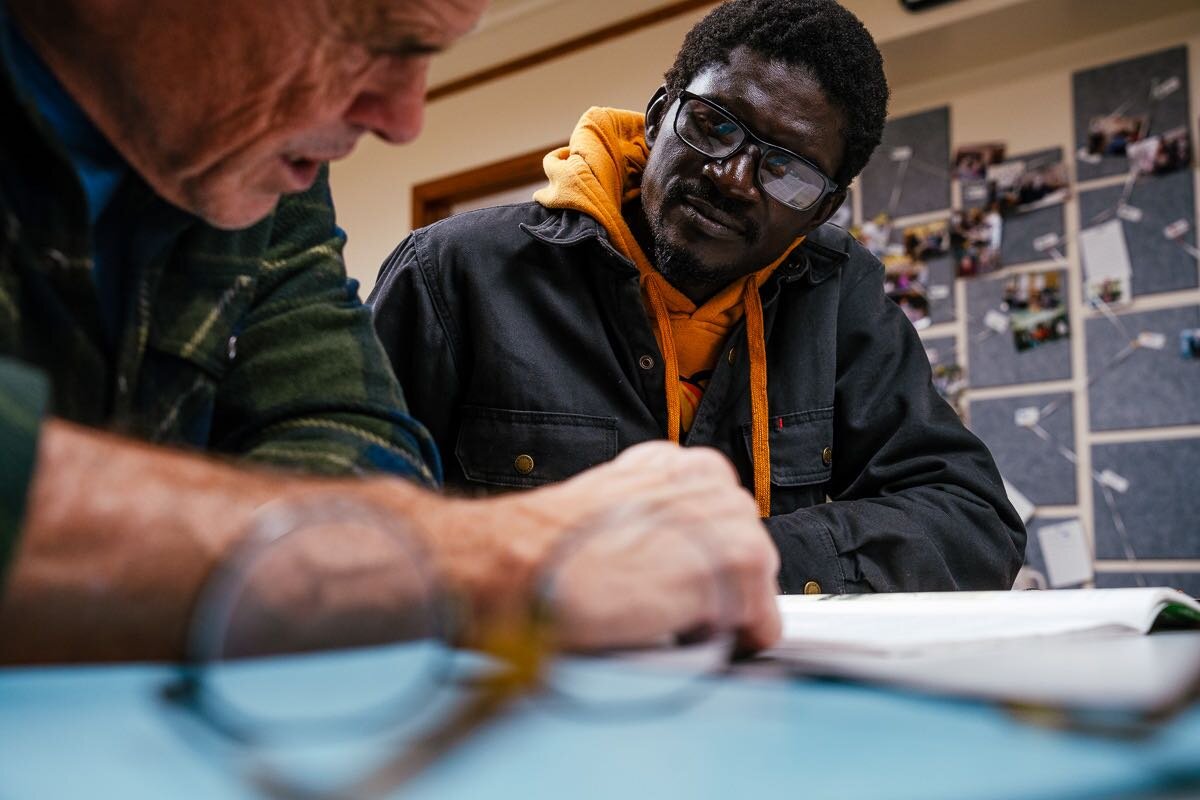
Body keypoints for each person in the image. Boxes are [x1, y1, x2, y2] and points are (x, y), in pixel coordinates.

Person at [0, 0, 782, 662]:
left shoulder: (256, 172)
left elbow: (357, 444)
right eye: (373, 35)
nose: (404, 120)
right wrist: (491, 559)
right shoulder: (440, 255)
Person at [370, 0, 1026, 594]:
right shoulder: (453, 272)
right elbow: (339, 524)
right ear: (658, 118)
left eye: (785, 169)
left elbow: (972, 519)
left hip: (766, 710)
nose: (732, 179)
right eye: (714, 127)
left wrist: (740, 558)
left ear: (820, 208)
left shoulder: (837, 295)